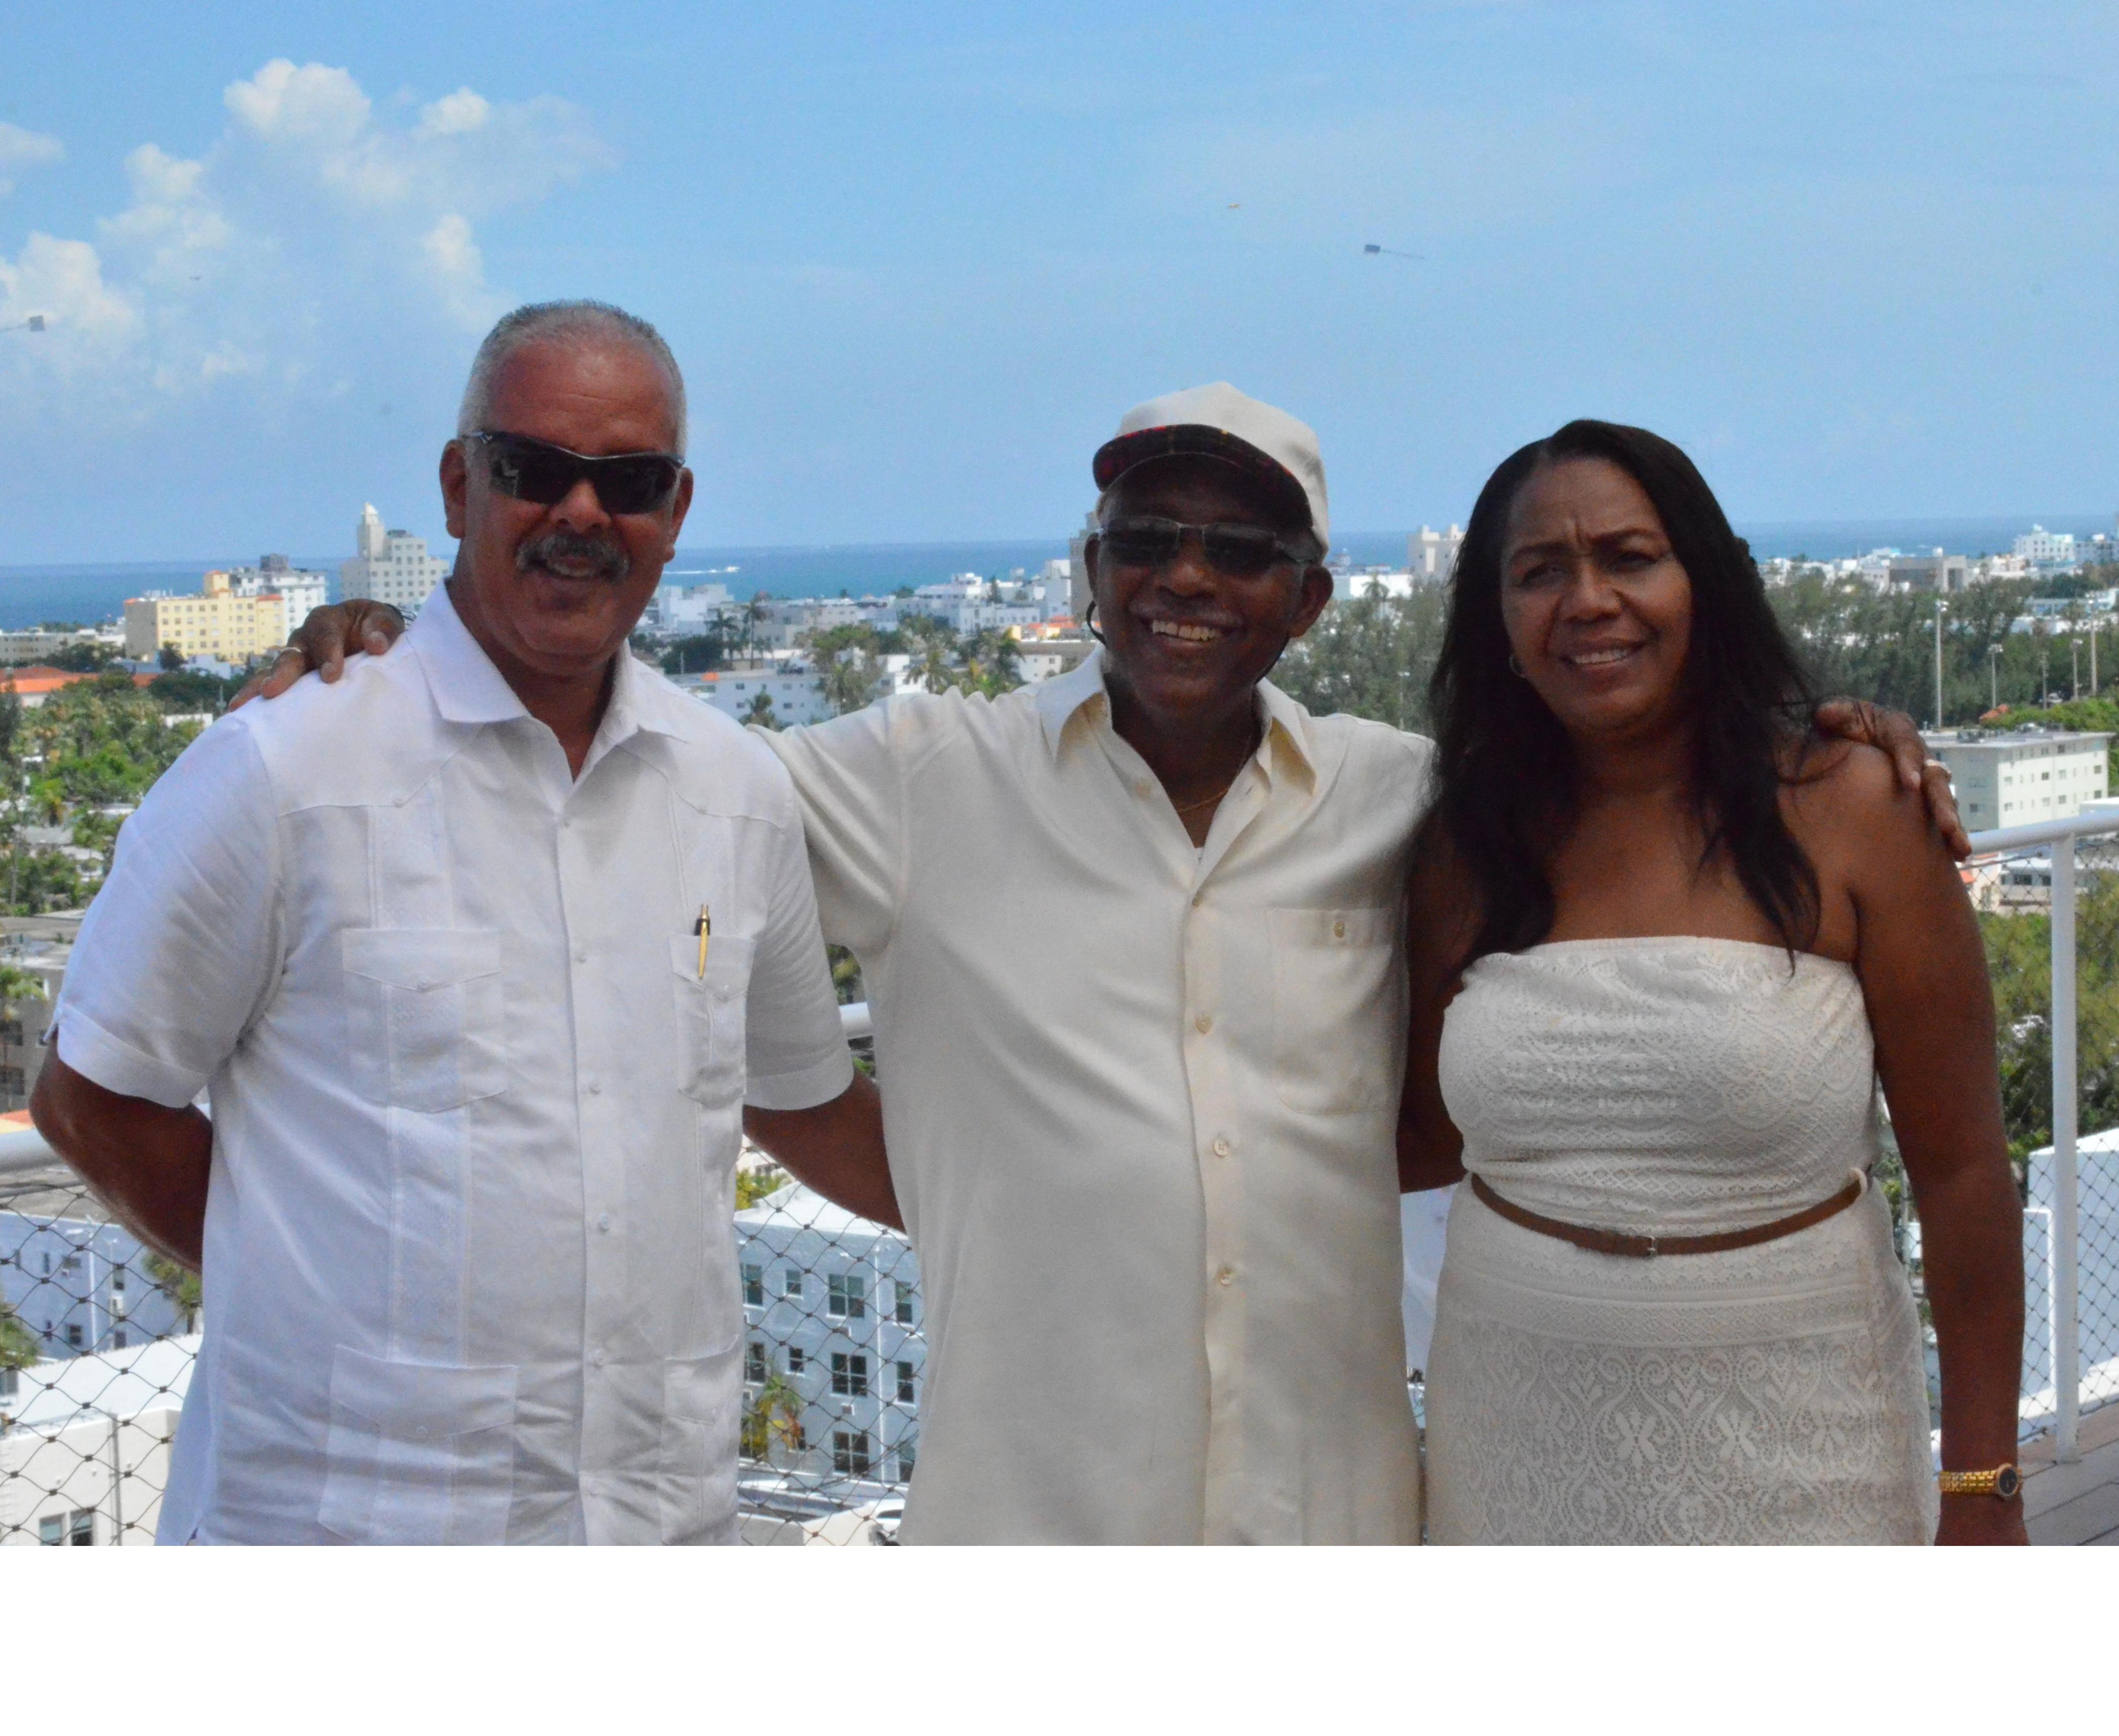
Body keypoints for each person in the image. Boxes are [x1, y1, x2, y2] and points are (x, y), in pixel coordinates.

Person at [260, 386, 1964, 1544]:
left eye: (1238, 550)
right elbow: (652, 793)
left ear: (1307, 599)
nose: (1184, 579)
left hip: (1337, 1523)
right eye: (1146, 536)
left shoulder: (1406, 801)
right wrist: (427, 649)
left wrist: (1842, 739)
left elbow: (1461, 1083)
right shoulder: (925, 775)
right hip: (1035, 1521)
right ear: (1088, 573)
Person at [31, 301, 891, 1543]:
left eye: (629, 481)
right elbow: (90, 1098)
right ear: (457, 485)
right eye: (533, 470)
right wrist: (315, 1295)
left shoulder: (735, 792)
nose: (582, 515)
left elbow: (803, 1099)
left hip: (653, 1533)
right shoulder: (285, 768)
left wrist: (1094, 1202)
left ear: (678, 512)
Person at [1398, 420, 2027, 1544]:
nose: (1588, 601)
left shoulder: (1856, 809)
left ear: (1706, 581)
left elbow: (1968, 1171)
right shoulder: (1463, 843)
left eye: (1630, 557)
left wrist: (1981, 1484)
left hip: (1800, 1434)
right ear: (1497, 623)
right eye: (1540, 572)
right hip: (1513, 1432)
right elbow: (1415, 1141)